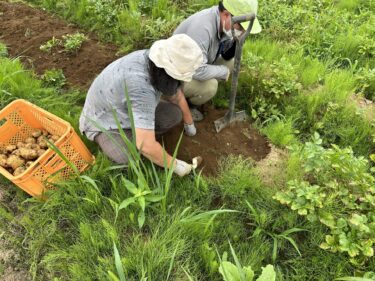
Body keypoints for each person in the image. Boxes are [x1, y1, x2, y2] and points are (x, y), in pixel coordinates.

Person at [79, 34, 203, 177]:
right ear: (168, 73)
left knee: (174, 115)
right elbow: (147, 146)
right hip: (104, 120)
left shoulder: (155, 62)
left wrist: (189, 124)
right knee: (129, 157)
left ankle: (140, 130)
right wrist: (177, 166)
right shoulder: (141, 88)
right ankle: (129, 135)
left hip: (124, 106)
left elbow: (177, 96)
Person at [174, 0, 261, 121]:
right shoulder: (202, 28)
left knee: (231, 63)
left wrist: (238, 40)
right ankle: (186, 106)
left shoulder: (224, 23)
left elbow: (226, 56)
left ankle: (198, 93)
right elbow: (197, 70)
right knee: (211, 86)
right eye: (241, 27)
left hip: (199, 62)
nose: (242, 30)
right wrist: (222, 71)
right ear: (226, 15)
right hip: (177, 73)